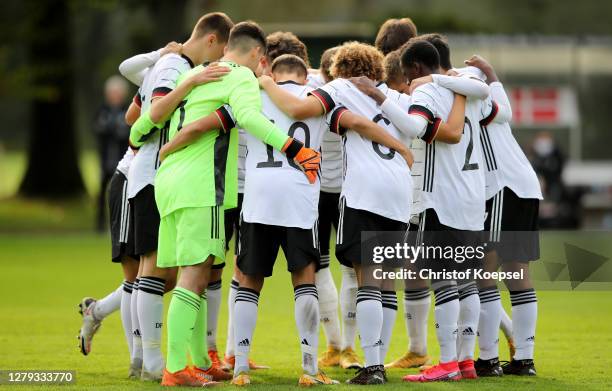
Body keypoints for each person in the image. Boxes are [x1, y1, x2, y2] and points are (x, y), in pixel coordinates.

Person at [259, 41, 471, 384]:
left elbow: (299, 109)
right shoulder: (400, 98)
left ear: (340, 68)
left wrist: (266, 82)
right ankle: (379, 362)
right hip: (401, 191)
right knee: (386, 279)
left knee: (367, 278)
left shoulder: (338, 88)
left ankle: (372, 367)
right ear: (377, 71)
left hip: (364, 191)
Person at [150, 21, 322, 387]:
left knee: (208, 273)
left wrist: (165, 148)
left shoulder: (197, 74)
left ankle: (202, 360)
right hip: (204, 186)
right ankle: (176, 368)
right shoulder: (244, 79)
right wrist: (295, 148)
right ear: (260, 56)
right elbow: (248, 118)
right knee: (195, 275)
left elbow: (160, 118)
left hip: (170, 181)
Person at [125, 12, 234, 382]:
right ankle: (154, 363)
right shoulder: (177, 66)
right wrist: (192, 82)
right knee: (155, 270)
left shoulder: (168, 62)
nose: (216, 64)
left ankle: (149, 360)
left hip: (157, 173)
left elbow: (132, 114)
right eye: (219, 54)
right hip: (158, 174)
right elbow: (155, 112)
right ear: (212, 41)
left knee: (159, 270)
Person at [221, 30, 312, 373]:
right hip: (299, 199)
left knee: (247, 276)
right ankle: (309, 365)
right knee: (305, 276)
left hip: (256, 195)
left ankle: (239, 365)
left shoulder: (251, 91)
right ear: (304, 72)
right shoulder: (319, 94)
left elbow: (222, 121)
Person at [464, 55, 541, 377]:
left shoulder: (477, 103)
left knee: (485, 270)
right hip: (525, 186)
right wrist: (491, 73)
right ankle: (523, 359)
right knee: (516, 271)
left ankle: (488, 358)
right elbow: (495, 88)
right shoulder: (493, 97)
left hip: (501, 187)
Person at [310, 46, 363, 371]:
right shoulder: (355, 96)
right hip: (346, 192)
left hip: (318, 192)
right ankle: (347, 348)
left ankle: (337, 346)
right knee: (349, 270)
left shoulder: (313, 92)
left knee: (321, 267)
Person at [93, 75, 130, 231]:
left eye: (117, 93)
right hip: (106, 159)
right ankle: (100, 225)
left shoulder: (128, 110)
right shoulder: (102, 110)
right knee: (102, 192)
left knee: (123, 193)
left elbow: (128, 132)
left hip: (123, 160)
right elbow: (97, 129)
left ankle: (122, 224)